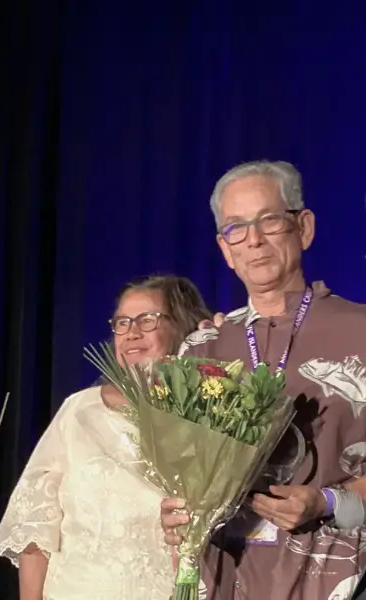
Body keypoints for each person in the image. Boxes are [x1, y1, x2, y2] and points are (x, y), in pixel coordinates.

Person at [160, 160, 366, 599]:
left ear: (303, 227)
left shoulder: (360, 332)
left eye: (269, 220)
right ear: (224, 248)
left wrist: (327, 502)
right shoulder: (201, 349)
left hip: (334, 579)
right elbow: (181, 474)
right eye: (236, 228)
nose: (253, 239)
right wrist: (176, 514)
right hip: (223, 580)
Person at [0, 274, 213, 599]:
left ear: (183, 325)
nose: (131, 332)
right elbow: (35, 527)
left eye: (147, 319)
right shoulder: (78, 410)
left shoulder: (208, 416)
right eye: (122, 322)